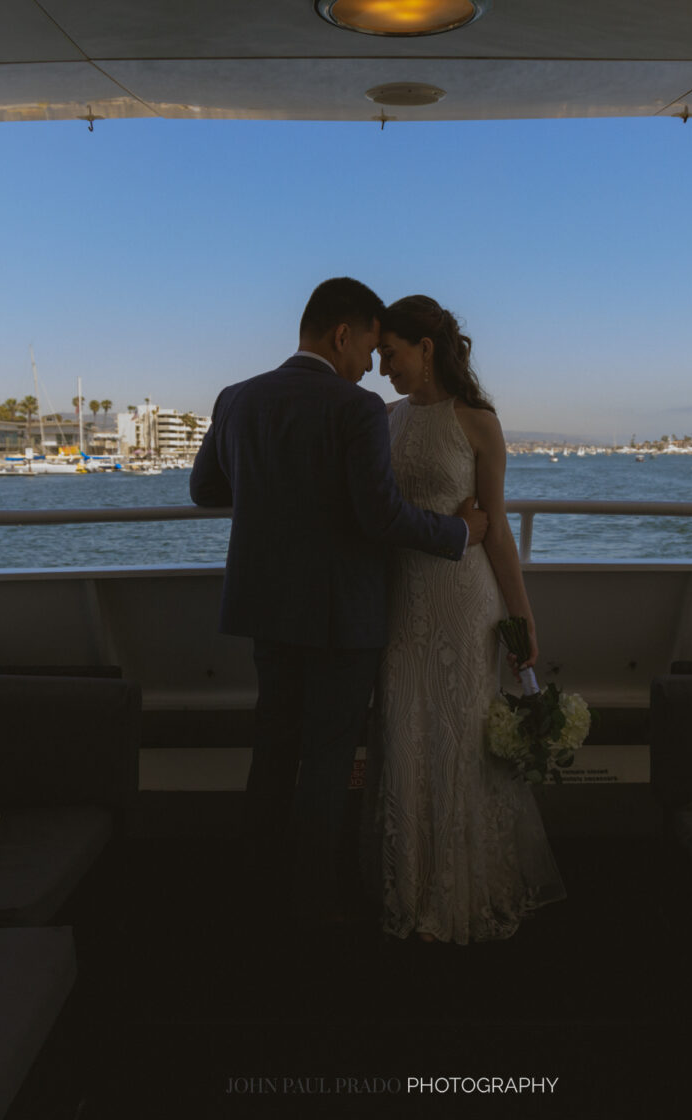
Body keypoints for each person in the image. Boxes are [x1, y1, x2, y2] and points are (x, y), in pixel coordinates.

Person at [190, 277, 488, 931]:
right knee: (325, 764)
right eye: (368, 350)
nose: (369, 370)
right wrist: (461, 533)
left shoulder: (235, 398)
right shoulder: (352, 408)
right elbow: (380, 517)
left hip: (265, 609)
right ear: (343, 335)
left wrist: (276, 493)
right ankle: (310, 909)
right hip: (339, 617)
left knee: (271, 752)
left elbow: (206, 489)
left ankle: (254, 891)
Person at [366, 294, 566, 945]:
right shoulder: (386, 418)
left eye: (390, 353)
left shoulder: (477, 421)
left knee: (457, 742)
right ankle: (411, 887)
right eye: (375, 355)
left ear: (426, 347)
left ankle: (464, 893)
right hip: (399, 601)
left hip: (462, 603)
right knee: (403, 730)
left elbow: (497, 529)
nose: (381, 367)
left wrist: (521, 617)